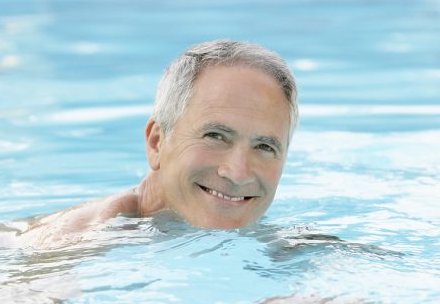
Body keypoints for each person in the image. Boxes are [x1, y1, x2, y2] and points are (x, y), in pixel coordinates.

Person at [19, 39, 299, 248]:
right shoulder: (78, 244)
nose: (238, 173)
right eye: (215, 136)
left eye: (265, 147)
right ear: (156, 143)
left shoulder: (280, 244)